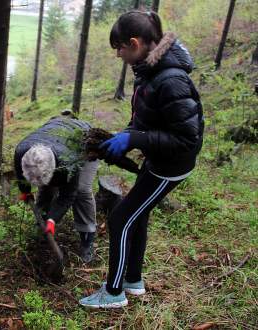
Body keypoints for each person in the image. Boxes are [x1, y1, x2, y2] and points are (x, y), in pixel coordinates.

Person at [80, 11, 204, 308]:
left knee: (121, 218)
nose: (118, 55)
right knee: (138, 214)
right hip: (157, 160)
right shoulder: (148, 70)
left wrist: (135, 139)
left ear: (133, 43)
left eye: (118, 49)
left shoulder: (171, 79)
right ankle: (133, 281)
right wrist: (125, 137)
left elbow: (186, 139)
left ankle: (113, 293)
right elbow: (148, 119)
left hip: (170, 167)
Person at [15, 113, 99, 263]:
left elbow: (68, 195)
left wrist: (53, 219)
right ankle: (41, 228)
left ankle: (87, 238)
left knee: (81, 191)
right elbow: (20, 175)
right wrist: (25, 192)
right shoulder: (22, 151)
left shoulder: (69, 162)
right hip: (57, 136)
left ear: (53, 169)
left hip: (86, 144)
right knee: (46, 189)